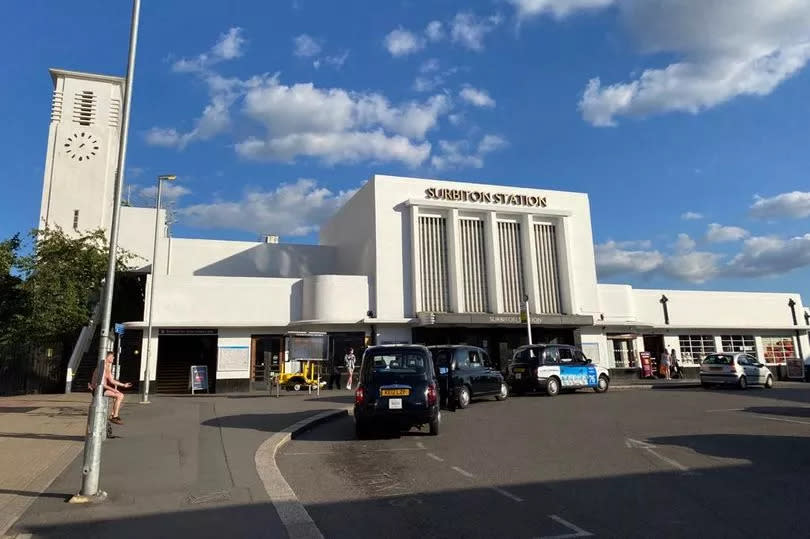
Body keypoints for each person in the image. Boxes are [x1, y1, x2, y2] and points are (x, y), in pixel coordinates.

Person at [89, 351, 132, 425]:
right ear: (107, 357)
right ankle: (114, 416)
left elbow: (112, 380)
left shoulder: (107, 367)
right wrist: (114, 390)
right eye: (112, 356)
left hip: (102, 388)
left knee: (118, 396)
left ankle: (113, 415)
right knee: (120, 395)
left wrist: (123, 385)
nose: (113, 358)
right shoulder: (102, 367)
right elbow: (103, 384)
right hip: (98, 389)